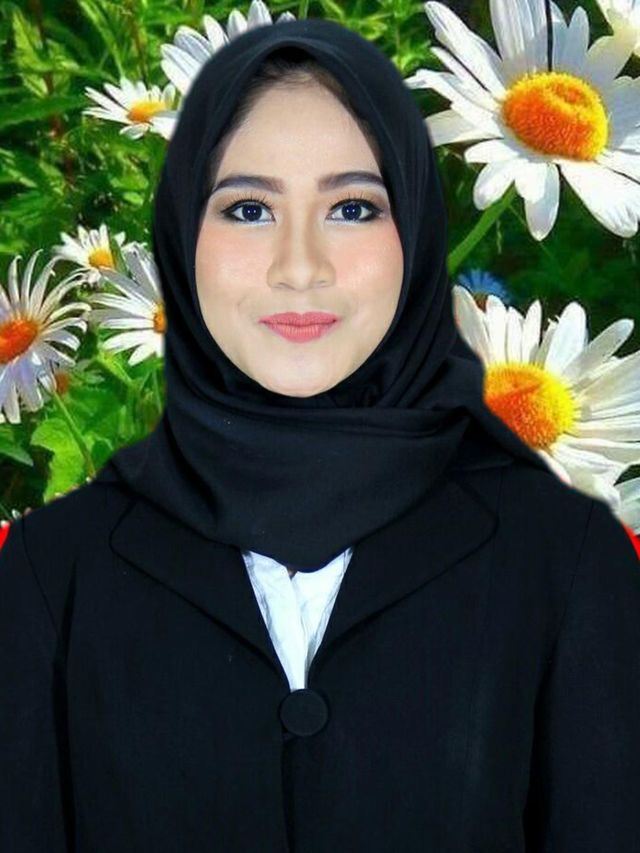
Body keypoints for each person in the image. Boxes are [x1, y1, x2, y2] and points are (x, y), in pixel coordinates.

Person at [1, 17, 639, 853]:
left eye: (352, 207)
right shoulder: (53, 575)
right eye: (248, 208)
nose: (299, 265)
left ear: (416, 234)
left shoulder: (563, 563)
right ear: (181, 236)